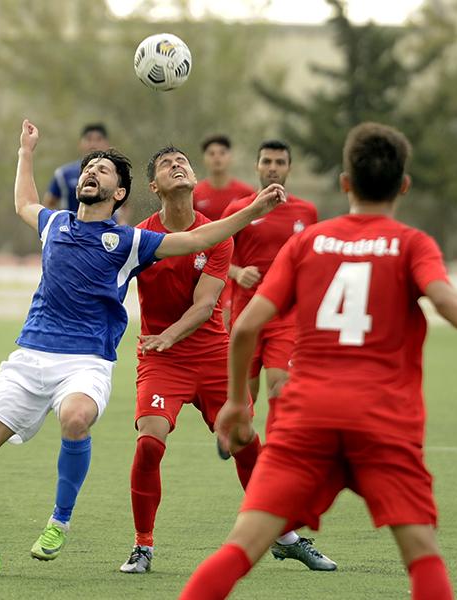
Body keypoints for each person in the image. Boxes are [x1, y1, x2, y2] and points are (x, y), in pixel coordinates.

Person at [179, 122, 457, 600]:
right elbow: (447, 302)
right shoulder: (411, 244)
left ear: (344, 184)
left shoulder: (307, 242)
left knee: (240, 549)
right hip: (382, 419)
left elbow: (247, 326)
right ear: (404, 185)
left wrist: (234, 403)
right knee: (423, 556)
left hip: (307, 417)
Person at [0, 120, 287, 577]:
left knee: (76, 417)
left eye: (104, 171)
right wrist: (26, 152)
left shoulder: (129, 241)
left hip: (86, 361)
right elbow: (24, 201)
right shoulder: (55, 224)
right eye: (90, 168)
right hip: (29, 356)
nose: (92, 173)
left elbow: (200, 239)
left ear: (119, 193)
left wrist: (252, 210)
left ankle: (59, 522)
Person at [119, 147, 334, 574]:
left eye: (182, 160)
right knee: (149, 442)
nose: (177, 165)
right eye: (166, 164)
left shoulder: (217, 235)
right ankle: (143, 545)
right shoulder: (141, 237)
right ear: (153, 187)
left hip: (211, 354)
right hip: (163, 359)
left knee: (244, 441)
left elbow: (204, 306)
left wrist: (167, 336)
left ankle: (284, 536)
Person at [221, 140, 318, 430]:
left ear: (289, 168)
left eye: (279, 162)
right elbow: (210, 255)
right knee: (247, 397)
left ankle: (274, 453)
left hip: (286, 317)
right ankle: (238, 436)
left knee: (281, 387)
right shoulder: (240, 209)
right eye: (267, 162)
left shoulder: (307, 212)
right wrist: (237, 273)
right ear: (257, 166)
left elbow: (313, 262)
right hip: (246, 315)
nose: (273, 168)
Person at [192, 134, 254, 329]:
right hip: (201, 267)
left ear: (230, 157)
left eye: (222, 153)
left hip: (233, 271)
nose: (217, 157)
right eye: (211, 153)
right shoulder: (195, 194)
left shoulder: (245, 193)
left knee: (229, 325)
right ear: (205, 158)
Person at [42, 123, 110, 213]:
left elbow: (125, 205)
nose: (93, 144)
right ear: (80, 143)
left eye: (98, 139)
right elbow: (49, 203)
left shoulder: (116, 173)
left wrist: (121, 222)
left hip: (106, 226)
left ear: (107, 144)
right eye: (89, 139)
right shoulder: (63, 174)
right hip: (74, 226)